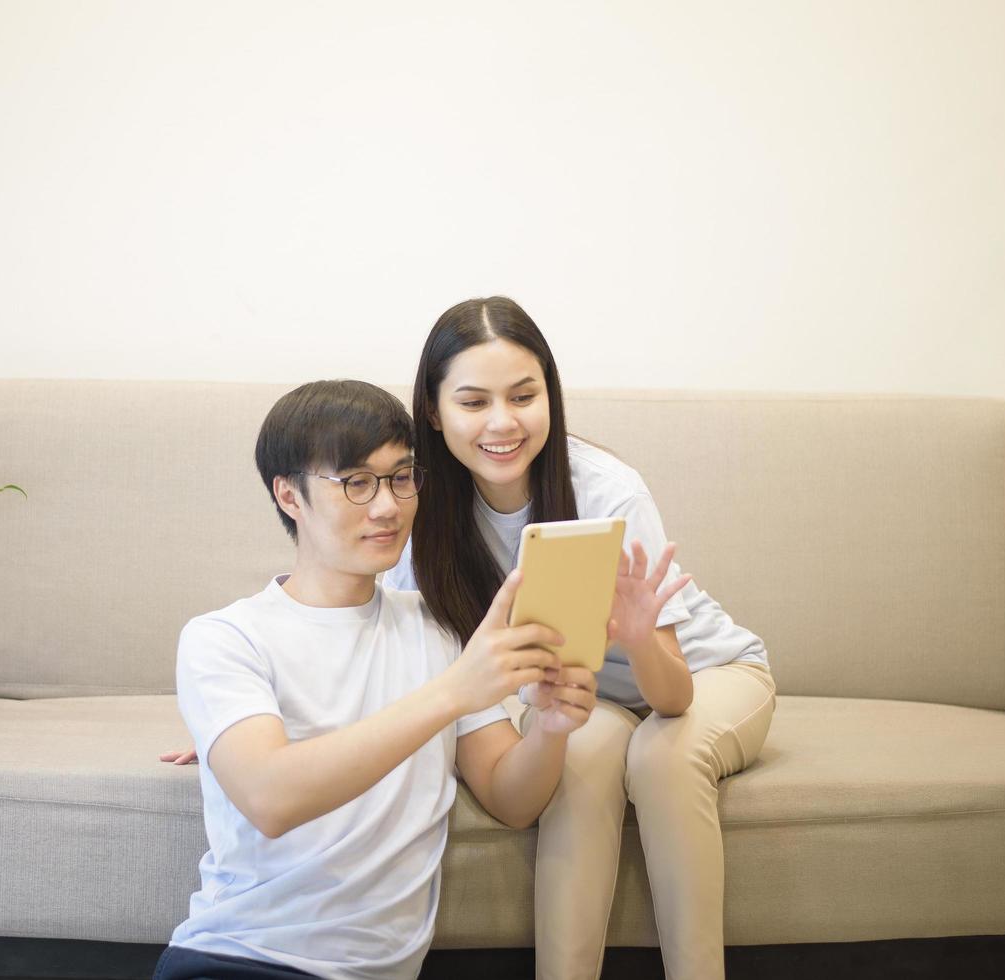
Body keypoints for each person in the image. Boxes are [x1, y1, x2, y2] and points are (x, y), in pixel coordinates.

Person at [157, 379, 614, 980]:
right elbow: (271, 797)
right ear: (289, 495)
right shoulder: (224, 637)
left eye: (401, 478)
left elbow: (513, 801)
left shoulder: (437, 628)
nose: (387, 507)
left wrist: (551, 729)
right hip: (237, 959)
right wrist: (452, 693)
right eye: (356, 483)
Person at [387, 297, 775, 980]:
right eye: (473, 402)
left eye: (523, 396)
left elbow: (675, 695)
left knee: (659, 757)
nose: (502, 422)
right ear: (432, 409)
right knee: (575, 751)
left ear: (549, 396)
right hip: (582, 696)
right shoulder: (419, 511)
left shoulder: (606, 490)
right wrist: (275, 711)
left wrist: (637, 635)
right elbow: (373, 641)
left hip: (706, 677)